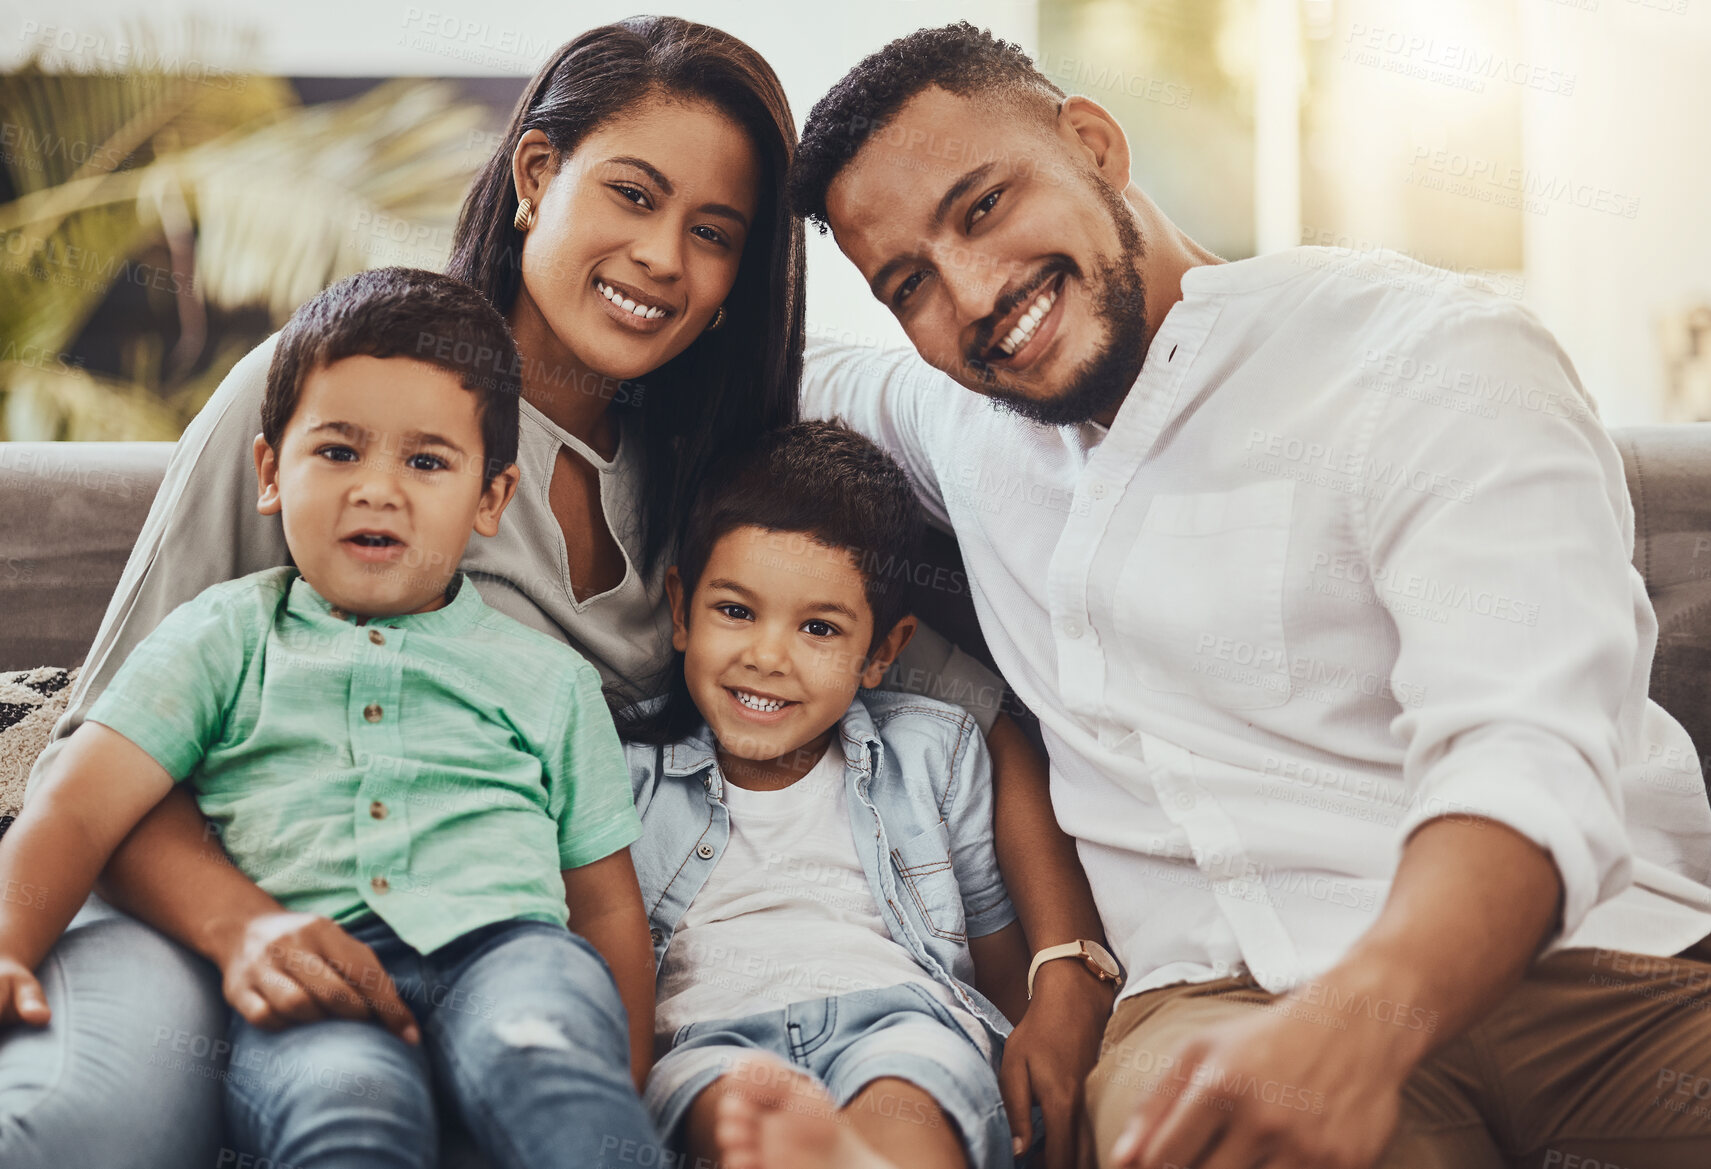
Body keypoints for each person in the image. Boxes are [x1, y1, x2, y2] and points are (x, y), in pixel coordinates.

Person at [2, 18, 1108, 1169]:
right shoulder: (332, 407)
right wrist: (247, 928)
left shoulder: (711, 477)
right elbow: (97, 749)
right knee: (79, 1128)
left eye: (713, 233)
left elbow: (971, 712)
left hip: (492, 957)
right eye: (631, 194)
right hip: (206, 913)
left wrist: (1063, 971)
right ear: (537, 175)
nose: (661, 258)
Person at [777, 21, 1711, 1169]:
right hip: (1208, 1010)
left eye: (982, 206)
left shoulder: (1428, 353)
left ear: (1095, 142)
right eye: (907, 283)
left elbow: (1525, 748)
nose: (970, 294)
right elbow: (755, 359)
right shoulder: (957, 426)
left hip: (1602, 983)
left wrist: (1362, 1021)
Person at [0, 267, 661, 1169]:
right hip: (310, 976)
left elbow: (607, 904)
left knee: (544, 1063)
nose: (377, 489)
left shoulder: (549, 678)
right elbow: (76, 806)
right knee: (346, 1116)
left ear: (489, 500)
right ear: (272, 472)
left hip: (509, 954)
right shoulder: (223, 635)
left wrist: (623, 1085)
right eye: (339, 451)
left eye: (426, 461)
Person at [621, 420, 1087, 1169]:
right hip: (708, 1032)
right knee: (713, 1098)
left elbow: (997, 958)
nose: (766, 656)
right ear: (680, 610)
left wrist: (1028, 1048)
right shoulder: (627, 773)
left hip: (900, 1013)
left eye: (818, 628)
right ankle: (798, 1150)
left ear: (882, 652)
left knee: (917, 1082)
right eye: (735, 611)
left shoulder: (934, 754)